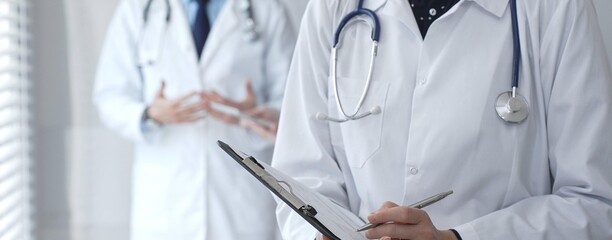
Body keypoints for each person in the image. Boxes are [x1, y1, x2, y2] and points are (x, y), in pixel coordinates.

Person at [271, 0, 612, 239]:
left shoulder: (555, 10)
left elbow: (594, 204)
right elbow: (302, 175)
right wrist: (320, 234)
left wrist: (458, 239)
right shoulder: (332, 9)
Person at [93, 0, 296, 239]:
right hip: (165, 208)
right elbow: (109, 95)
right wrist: (149, 115)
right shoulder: (138, 9)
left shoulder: (266, 9)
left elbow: (295, 99)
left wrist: (261, 115)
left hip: (239, 203)